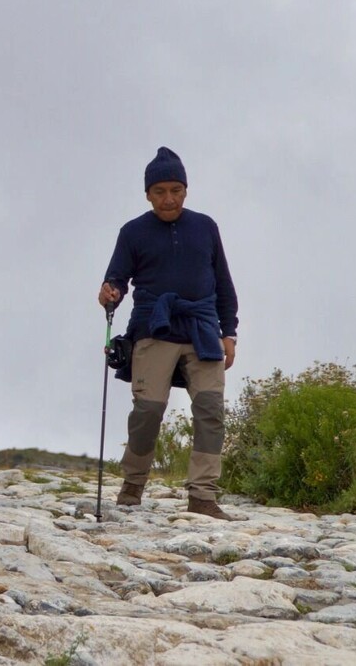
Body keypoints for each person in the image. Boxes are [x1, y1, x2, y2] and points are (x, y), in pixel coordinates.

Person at [98, 147, 239, 519]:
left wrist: (230, 332)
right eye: (160, 191)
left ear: (186, 190)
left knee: (210, 411)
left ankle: (203, 496)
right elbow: (117, 279)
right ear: (147, 193)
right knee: (148, 411)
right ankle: (132, 486)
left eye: (175, 190)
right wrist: (109, 292)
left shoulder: (206, 227)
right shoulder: (132, 232)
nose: (168, 198)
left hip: (204, 331)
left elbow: (223, 283)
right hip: (152, 328)